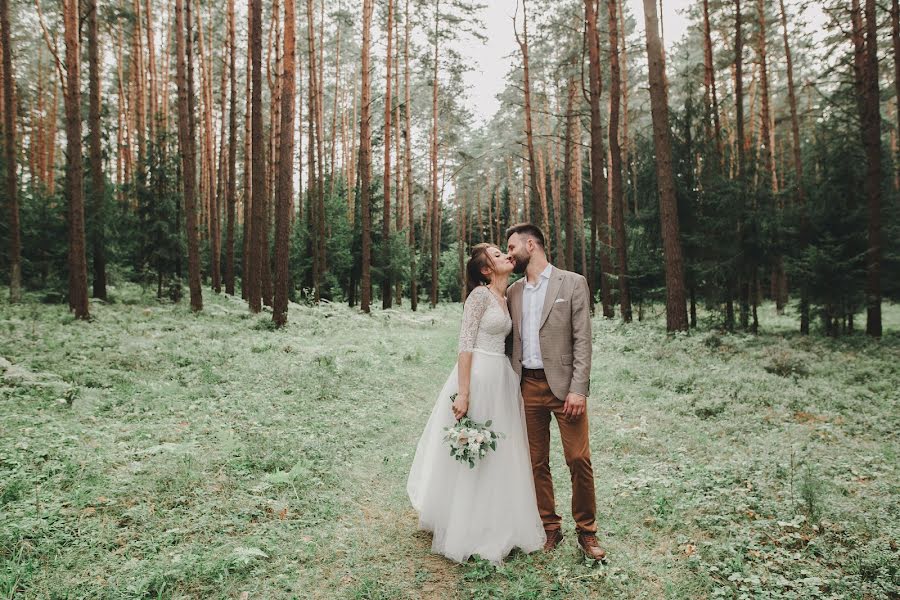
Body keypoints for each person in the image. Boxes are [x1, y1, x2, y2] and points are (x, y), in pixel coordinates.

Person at [407, 243, 545, 565]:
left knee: (500, 450)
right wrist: (464, 393)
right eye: (497, 255)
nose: (504, 256)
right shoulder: (479, 296)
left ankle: (497, 520)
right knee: (475, 447)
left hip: (502, 378)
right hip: (479, 377)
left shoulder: (507, 295)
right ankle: (465, 527)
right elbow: (465, 345)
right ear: (486, 270)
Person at [505, 223, 607, 562]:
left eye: (512, 247)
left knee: (578, 459)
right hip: (527, 387)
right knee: (536, 462)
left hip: (565, 389)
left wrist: (579, 389)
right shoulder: (513, 293)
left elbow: (583, 340)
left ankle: (587, 532)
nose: (509, 254)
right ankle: (550, 526)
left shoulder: (573, 282)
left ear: (530, 245)